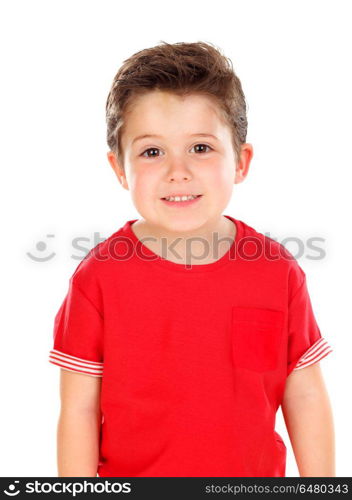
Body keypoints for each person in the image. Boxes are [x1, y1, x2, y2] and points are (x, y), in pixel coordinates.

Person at [49, 41, 335, 477]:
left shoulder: (278, 271)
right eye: (152, 152)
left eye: (200, 148)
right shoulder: (98, 277)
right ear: (119, 168)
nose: (177, 171)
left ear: (241, 162)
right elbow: (79, 410)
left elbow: (305, 395)